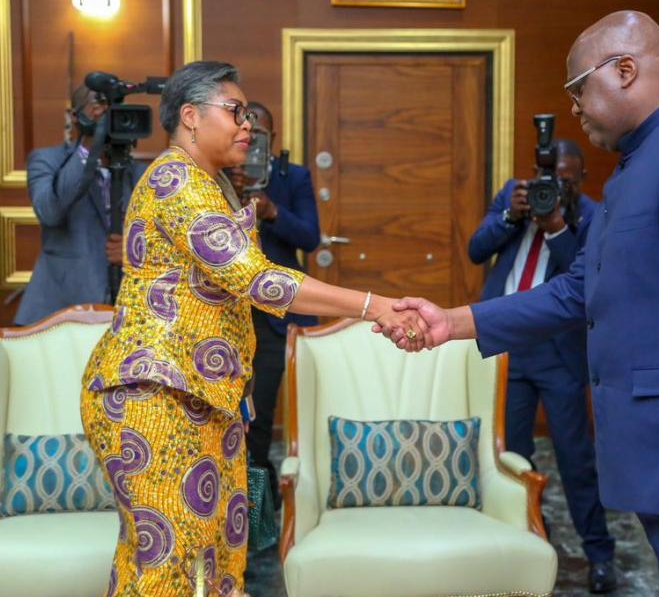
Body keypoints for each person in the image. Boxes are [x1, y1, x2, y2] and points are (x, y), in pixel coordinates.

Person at [385, 10, 659, 597]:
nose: (574, 109)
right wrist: (453, 321)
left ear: (625, 70)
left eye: (578, 90)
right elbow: (579, 289)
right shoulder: (639, 166)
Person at [80, 60, 425, 596]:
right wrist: (373, 304)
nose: (248, 125)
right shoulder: (176, 179)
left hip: (201, 396)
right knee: (169, 567)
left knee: (211, 560)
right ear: (190, 117)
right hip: (155, 392)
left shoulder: (211, 183)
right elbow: (254, 279)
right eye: (235, 111)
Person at [468, 139, 615, 593]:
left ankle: (599, 554)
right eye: (554, 177)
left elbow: (588, 281)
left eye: (569, 180)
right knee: (513, 457)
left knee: (575, 460)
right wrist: (512, 216)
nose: (559, 186)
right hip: (508, 347)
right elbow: (477, 249)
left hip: (557, 353)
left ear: (581, 178)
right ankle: (530, 545)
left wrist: (556, 227)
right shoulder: (516, 194)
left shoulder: (592, 215)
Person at [226, 102, 320, 507]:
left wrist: (273, 211)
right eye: (247, 129)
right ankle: (232, 505)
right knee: (230, 420)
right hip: (226, 316)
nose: (253, 138)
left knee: (261, 418)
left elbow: (311, 238)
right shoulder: (214, 176)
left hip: (275, 320)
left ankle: (259, 515)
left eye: (261, 134)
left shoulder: (291, 177)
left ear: (273, 139)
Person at [14, 84, 146, 325]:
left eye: (114, 109)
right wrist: (89, 144)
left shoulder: (141, 173)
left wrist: (135, 250)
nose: (107, 114)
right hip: (60, 313)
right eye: (99, 106)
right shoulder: (47, 160)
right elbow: (50, 212)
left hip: (127, 314)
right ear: (76, 116)